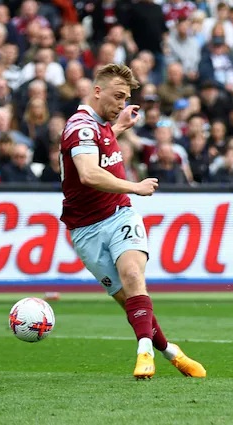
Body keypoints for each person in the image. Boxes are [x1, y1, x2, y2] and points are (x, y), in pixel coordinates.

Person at [60, 63, 206, 380]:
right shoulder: (80, 127)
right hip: (85, 231)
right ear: (97, 92)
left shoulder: (99, 127)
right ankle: (172, 351)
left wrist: (120, 127)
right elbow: (88, 173)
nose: (121, 105)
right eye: (118, 97)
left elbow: (100, 140)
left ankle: (144, 352)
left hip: (119, 215)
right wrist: (135, 186)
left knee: (132, 274)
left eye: (125, 99)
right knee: (130, 301)